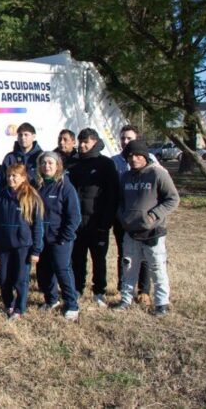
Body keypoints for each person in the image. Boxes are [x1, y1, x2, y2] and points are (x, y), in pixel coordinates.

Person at [112, 140, 179, 317]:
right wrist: (123, 216)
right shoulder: (125, 177)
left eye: (137, 155)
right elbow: (119, 201)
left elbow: (172, 199)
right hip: (130, 230)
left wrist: (154, 215)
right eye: (130, 156)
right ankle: (126, 299)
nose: (134, 159)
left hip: (153, 231)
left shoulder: (157, 174)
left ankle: (161, 303)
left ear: (145, 156)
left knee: (157, 267)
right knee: (128, 267)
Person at [68, 128, 119, 307]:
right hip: (77, 223)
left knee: (99, 260)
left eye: (86, 142)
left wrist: (105, 222)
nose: (82, 146)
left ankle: (99, 291)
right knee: (77, 259)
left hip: (97, 223)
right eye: (80, 142)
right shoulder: (73, 165)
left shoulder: (105, 164)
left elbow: (112, 195)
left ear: (95, 143)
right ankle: (77, 288)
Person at [111, 125, 158, 303]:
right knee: (124, 254)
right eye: (122, 138)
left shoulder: (151, 160)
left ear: (137, 139)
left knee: (145, 254)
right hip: (123, 216)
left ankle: (144, 290)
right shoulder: (114, 161)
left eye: (129, 138)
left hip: (145, 217)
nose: (125, 141)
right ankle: (122, 287)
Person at [36, 151, 82, 321]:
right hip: (41, 238)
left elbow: (74, 216)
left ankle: (71, 304)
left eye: (50, 163)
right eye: (43, 163)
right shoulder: (37, 186)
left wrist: (65, 236)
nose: (46, 166)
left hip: (59, 238)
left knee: (62, 270)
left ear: (57, 166)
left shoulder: (65, 186)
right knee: (44, 271)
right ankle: (51, 300)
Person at [0, 164, 44, 321]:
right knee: (3, 277)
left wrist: (36, 250)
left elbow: (37, 226)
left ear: (23, 178)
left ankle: (19, 308)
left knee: (20, 279)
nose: (10, 178)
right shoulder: (1, 196)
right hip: (4, 245)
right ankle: (8, 303)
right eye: (8, 175)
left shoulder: (31, 198)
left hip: (23, 246)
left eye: (14, 176)